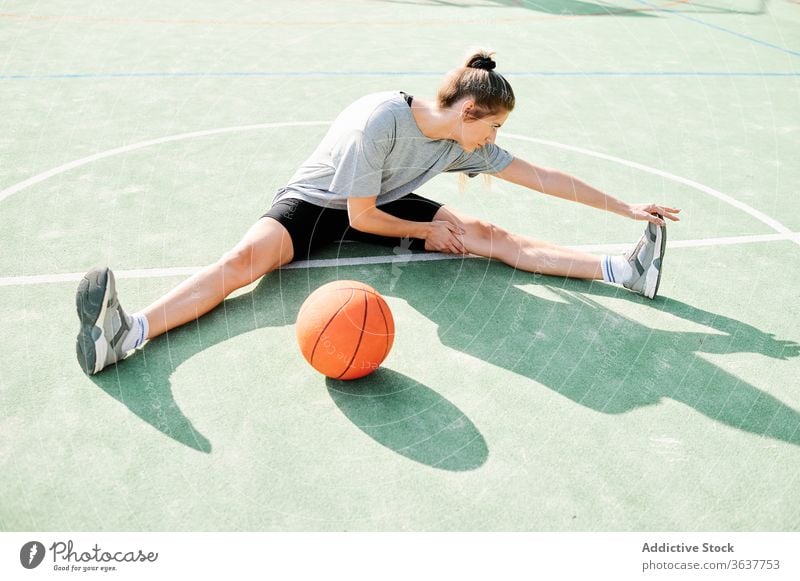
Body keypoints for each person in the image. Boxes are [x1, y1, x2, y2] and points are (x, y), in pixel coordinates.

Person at [75, 50, 681, 376]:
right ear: (469, 108)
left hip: (381, 200)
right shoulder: (381, 121)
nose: (495, 137)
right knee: (242, 265)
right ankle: (126, 335)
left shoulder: (457, 140)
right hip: (317, 205)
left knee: (490, 234)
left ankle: (624, 270)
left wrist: (626, 207)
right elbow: (360, 217)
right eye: (493, 124)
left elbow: (542, 176)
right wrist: (429, 229)